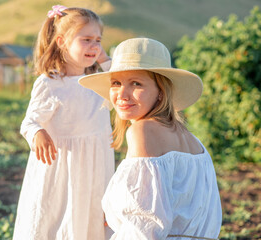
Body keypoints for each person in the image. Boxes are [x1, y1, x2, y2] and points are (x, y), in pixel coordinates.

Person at [79, 38, 222, 240]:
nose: (122, 94)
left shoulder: (142, 131)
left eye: (136, 83)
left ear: (161, 92)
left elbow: (145, 226)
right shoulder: (193, 141)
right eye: (116, 83)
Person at [13, 5, 115, 240]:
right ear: (61, 41)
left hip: (96, 167)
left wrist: (105, 59)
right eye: (86, 39)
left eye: (98, 40)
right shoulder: (50, 83)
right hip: (63, 170)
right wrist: (38, 132)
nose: (94, 46)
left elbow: (121, 79)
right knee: (59, 218)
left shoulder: (99, 81)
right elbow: (30, 121)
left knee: (91, 219)